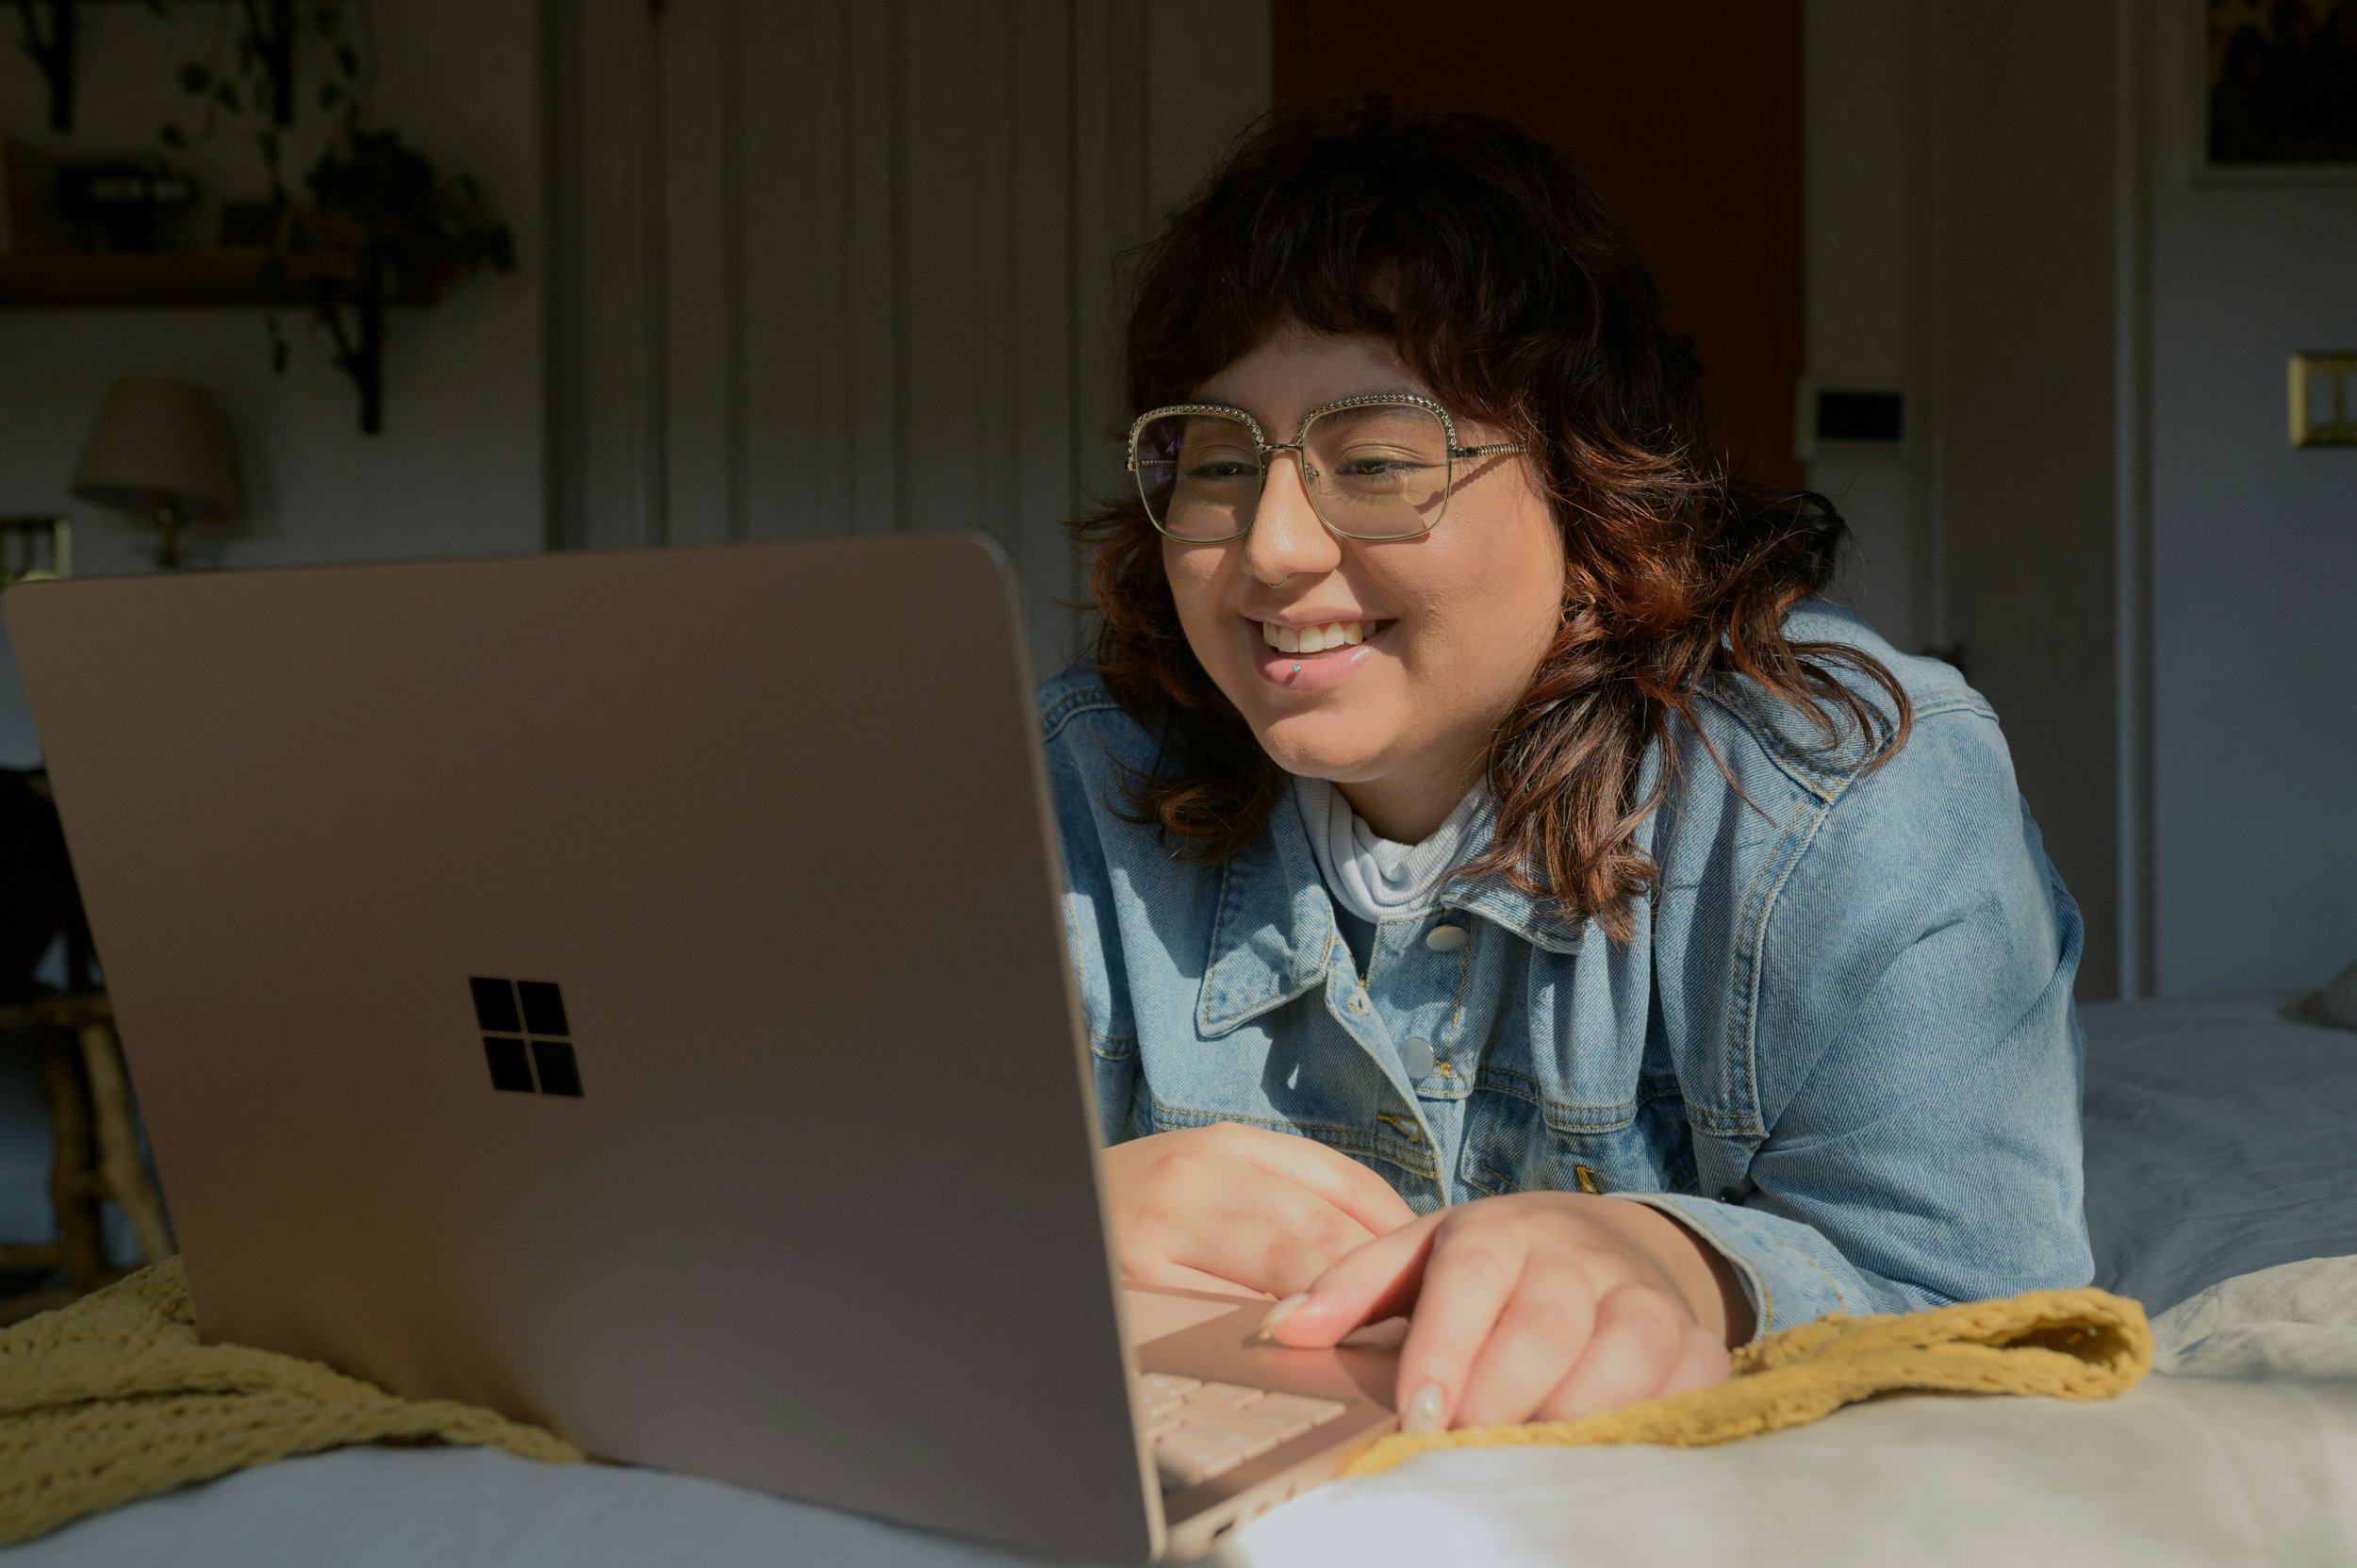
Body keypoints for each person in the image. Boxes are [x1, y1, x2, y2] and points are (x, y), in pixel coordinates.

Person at [1041, 96, 2091, 1436]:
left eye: (1375, 460)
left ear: (1592, 488)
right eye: (1216, 460)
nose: (1273, 548)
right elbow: (821, 1203)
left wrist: (1691, 1267)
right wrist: (1037, 1221)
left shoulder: (1854, 793)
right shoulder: (1074, 785)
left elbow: (1989, 1302)